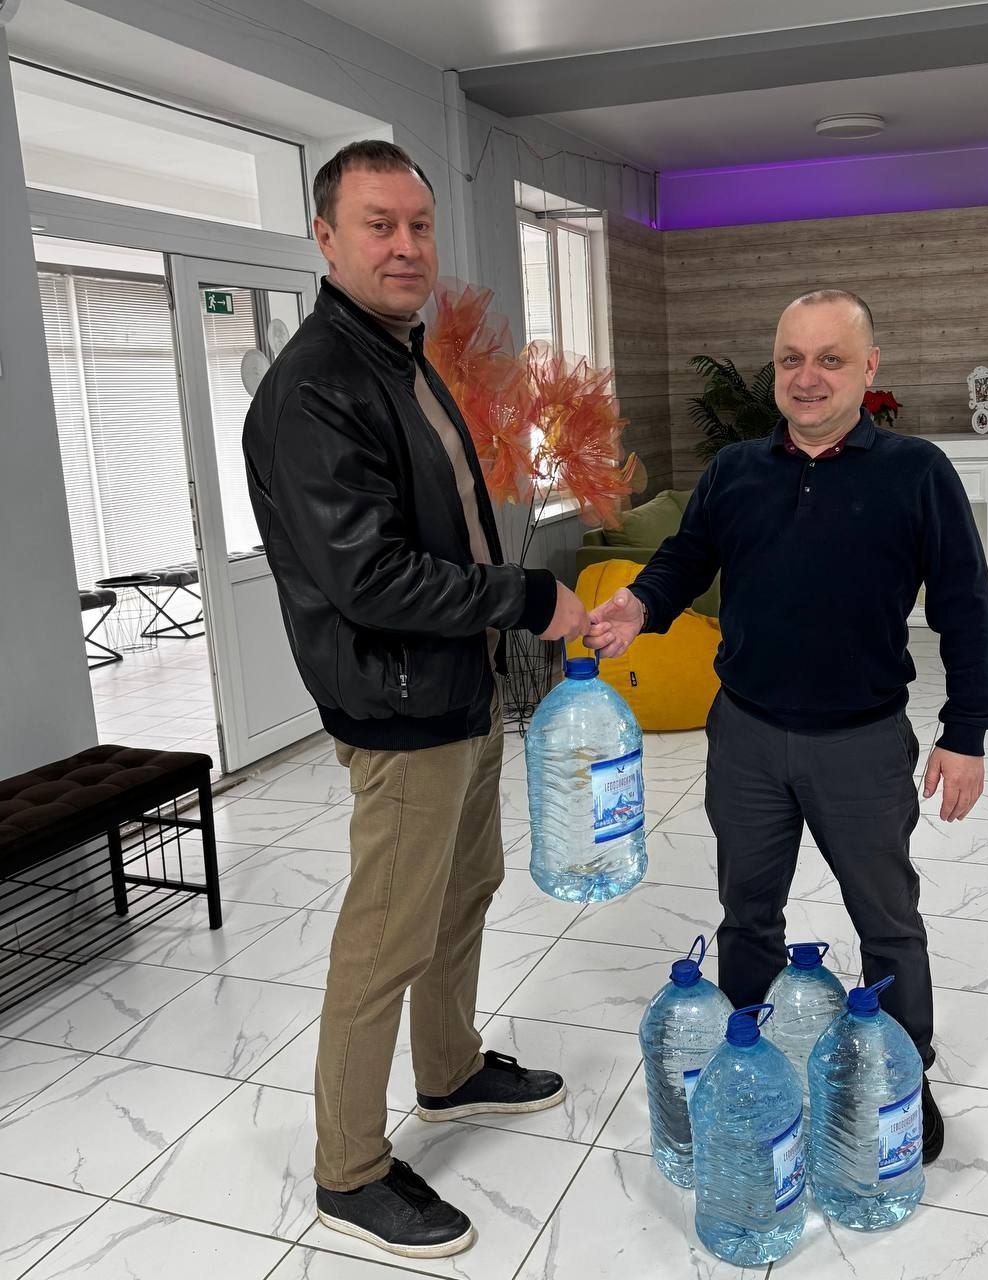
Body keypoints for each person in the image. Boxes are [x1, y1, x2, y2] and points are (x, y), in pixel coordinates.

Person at [243, 140, 588, 1260]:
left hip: (457, 683)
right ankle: (347, 1168)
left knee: (464, 889)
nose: (405, 247)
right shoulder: (316, 387)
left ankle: (448, 1069)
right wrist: (525, 597)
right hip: (398, 706)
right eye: (378, 224)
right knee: (385, 936)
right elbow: (370, 576)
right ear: (325, 237)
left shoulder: (400, 355)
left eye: (419, 226)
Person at [585, 289, 988, 1164]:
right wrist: (641, 603)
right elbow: (686, 558)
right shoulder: (735, 470)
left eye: (830, 359)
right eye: (791, 359)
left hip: (861, 742)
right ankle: (750, 1067)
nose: (807, 378)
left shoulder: (916, 471)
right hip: (745, 736)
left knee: (887, 921)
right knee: (746, 915)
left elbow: (966, 605)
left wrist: (966, 732)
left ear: (868, 368)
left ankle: (901, 1077)